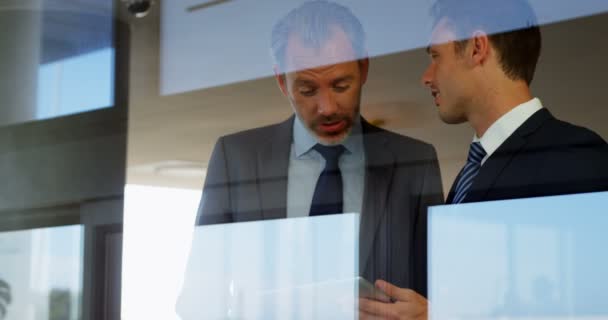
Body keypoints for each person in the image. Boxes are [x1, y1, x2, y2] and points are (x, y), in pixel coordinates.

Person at [359, 0, 608, 318]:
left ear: (477, 48)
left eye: (436, 56)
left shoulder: (577, 158)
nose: (426, 76)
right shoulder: (471, 173)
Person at [195, 0, 443, 303]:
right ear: (281, 82)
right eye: (308, 90)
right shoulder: (234, 159)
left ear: (364, 67)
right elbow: (199, 296)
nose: (327, 108)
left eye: (340, 85)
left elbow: (435, 295)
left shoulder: (415, 164)